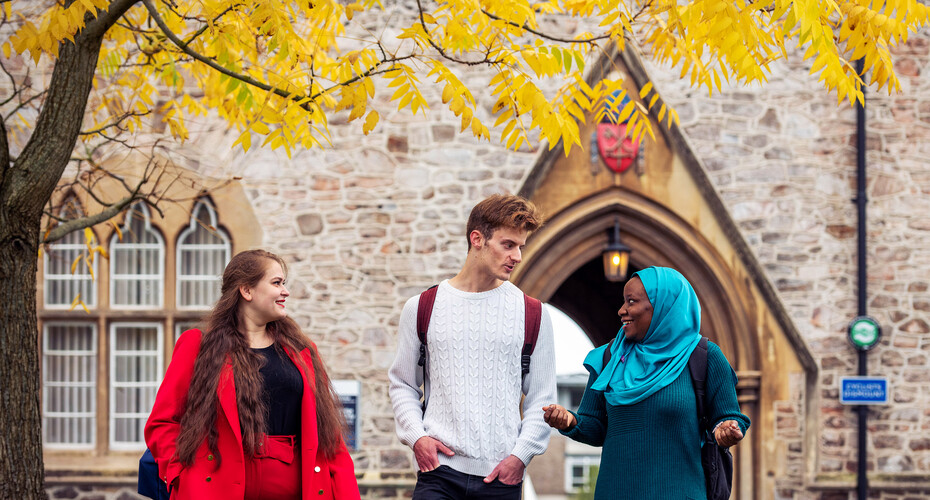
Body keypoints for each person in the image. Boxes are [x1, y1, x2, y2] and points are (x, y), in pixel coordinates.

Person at [145, 249, 360, 500]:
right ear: (246, 291)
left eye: (284, 283)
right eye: (276, 283)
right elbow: (162, 423)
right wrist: (181, 474)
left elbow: (329, 439)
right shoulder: (198, 346)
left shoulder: (302, 352)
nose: (285, 291)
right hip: (215, 492)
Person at [389, 194, 557, 500]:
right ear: (477, 239)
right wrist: (418, 438)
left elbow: (542, 399)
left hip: (501, 479)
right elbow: (402, 383)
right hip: (438, 474)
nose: (517, 256)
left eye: (521, 246)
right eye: (508, 245)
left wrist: (521, 456)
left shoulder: (533, 313)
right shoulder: (422, 307)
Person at [543, 266, 749, 499]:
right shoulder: (609, 358)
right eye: (624, 301)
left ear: (664, 306)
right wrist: (569, 421)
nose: (622, 310)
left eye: (631, 301)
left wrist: (727, 430)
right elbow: (595, 427)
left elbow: (728, 416)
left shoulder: (705, 356)